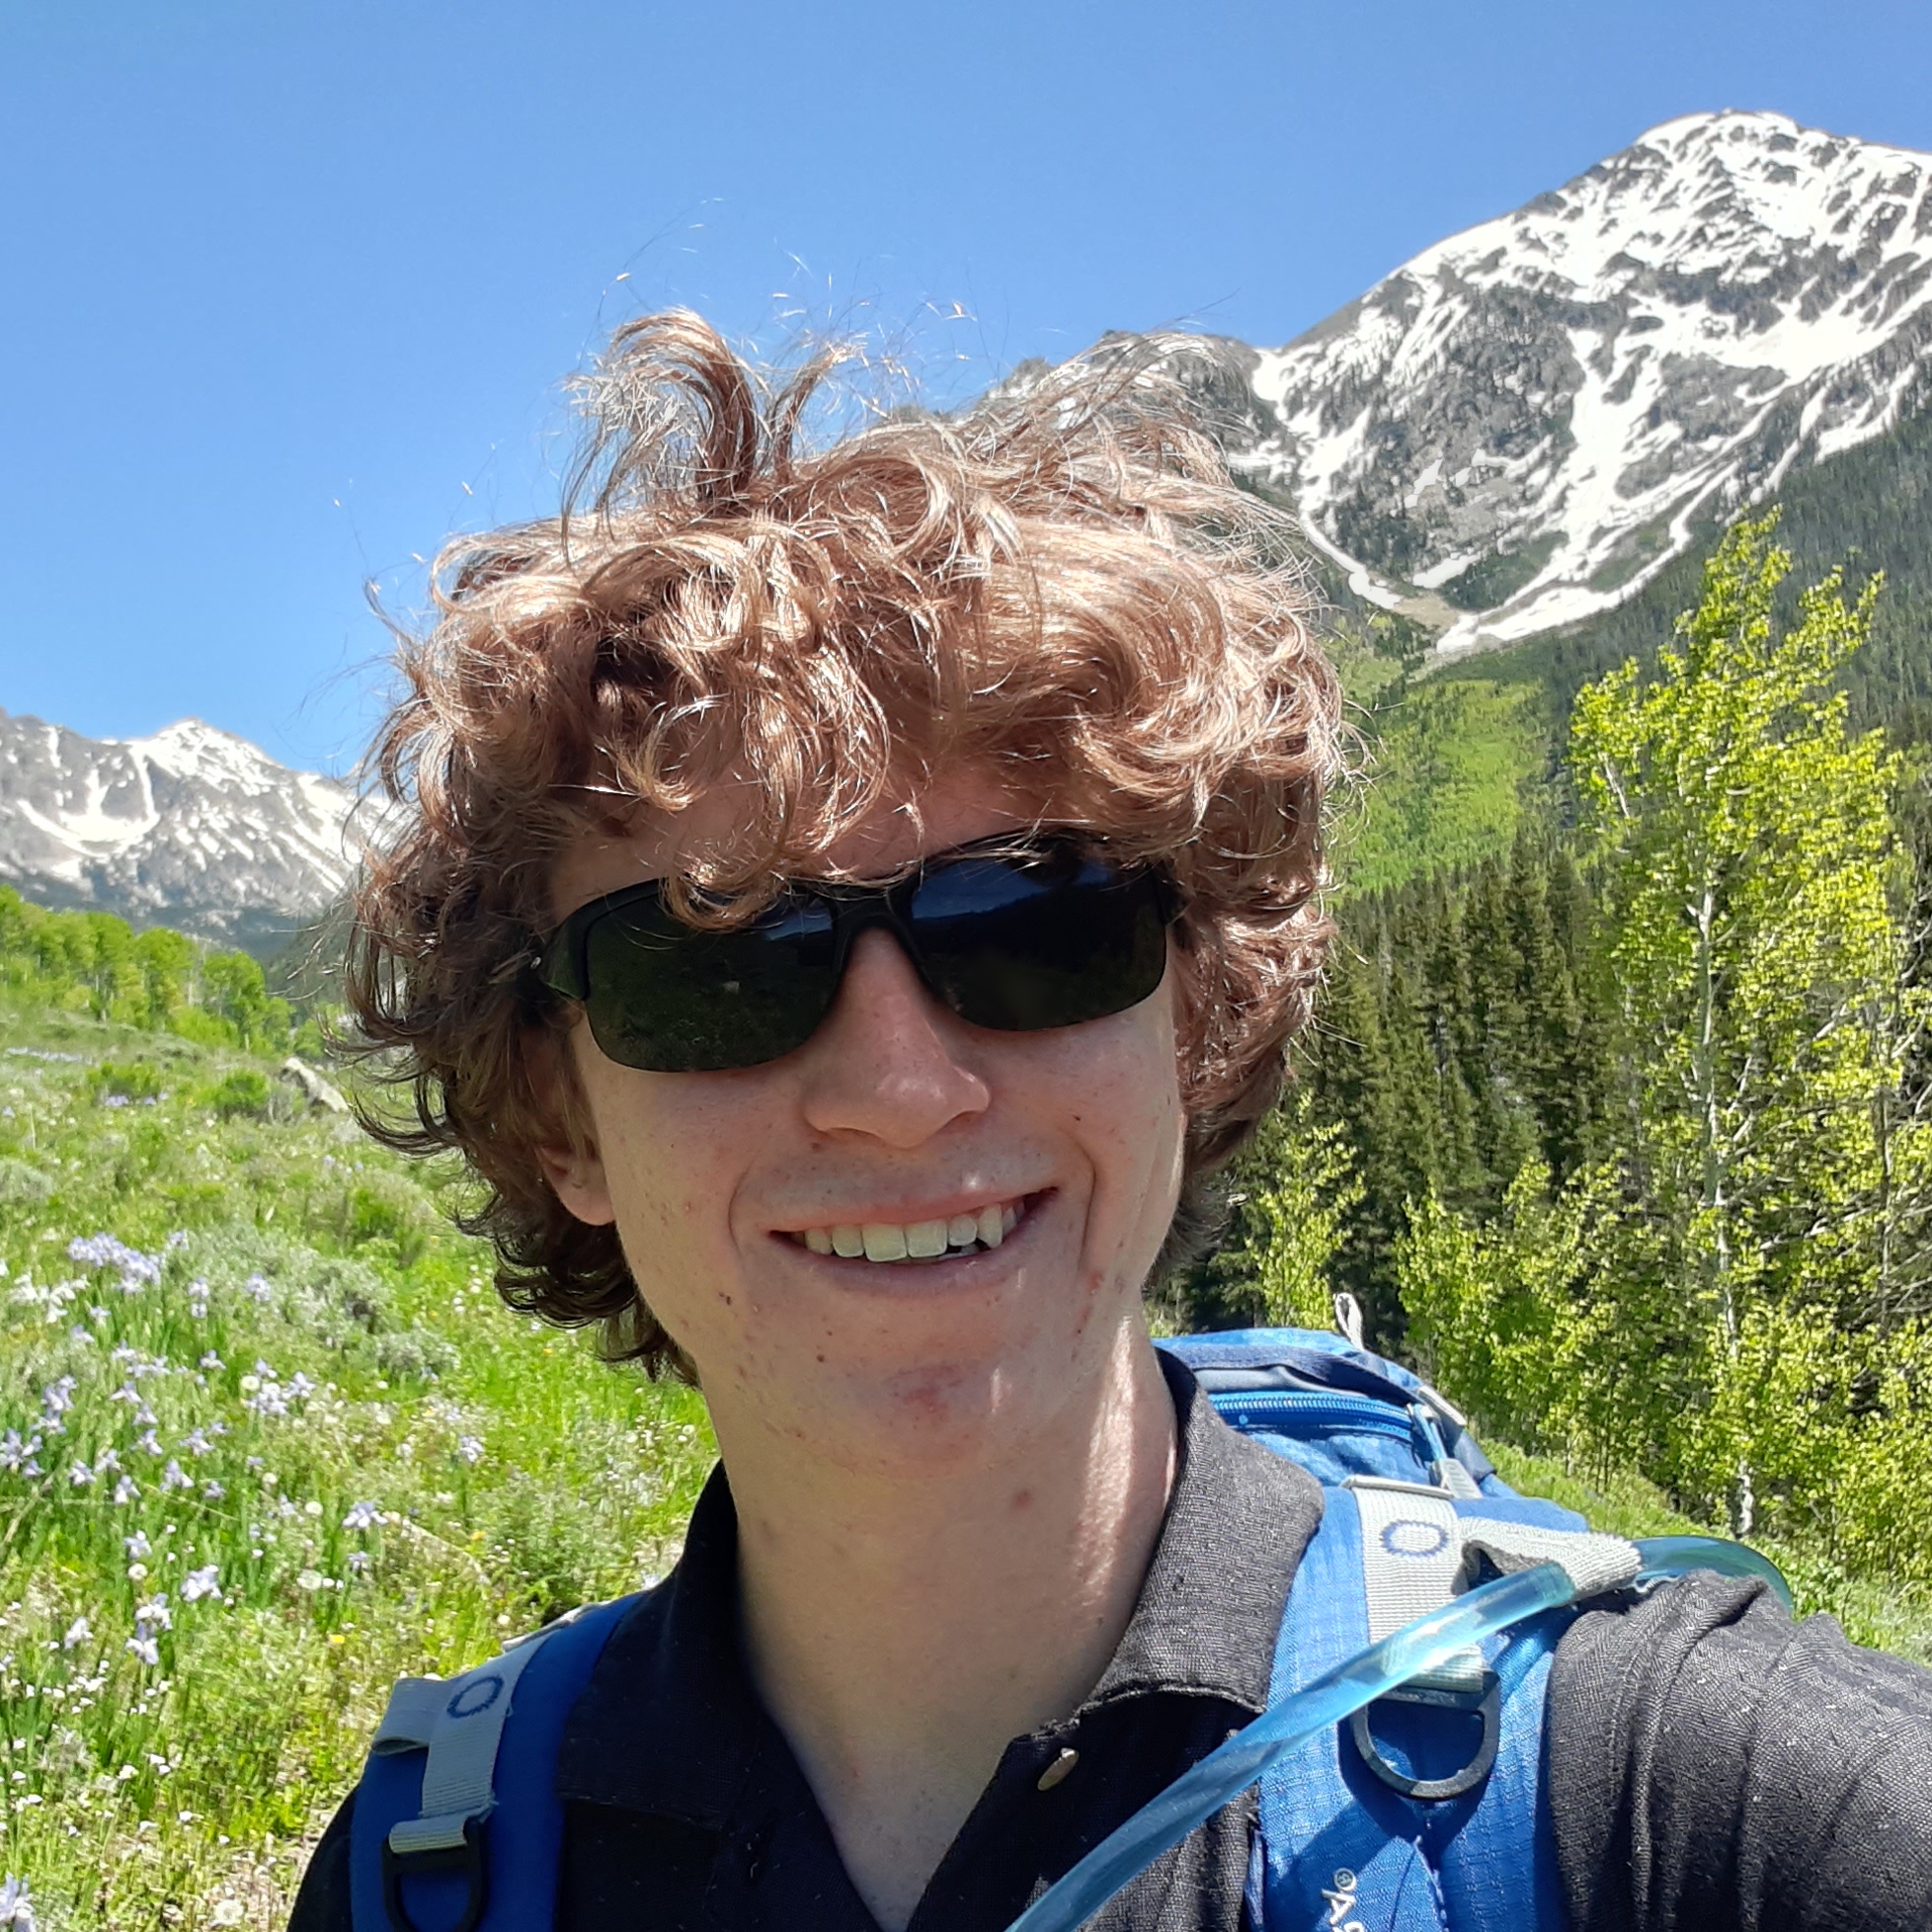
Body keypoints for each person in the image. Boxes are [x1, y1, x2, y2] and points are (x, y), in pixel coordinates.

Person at [290, 312, 1932, 1932]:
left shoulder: (1688, 1805)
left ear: (1194, 1020)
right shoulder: (428, 1864)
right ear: (559, 1113)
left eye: (1035, 925)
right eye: (715, 968)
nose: (901, 1087)